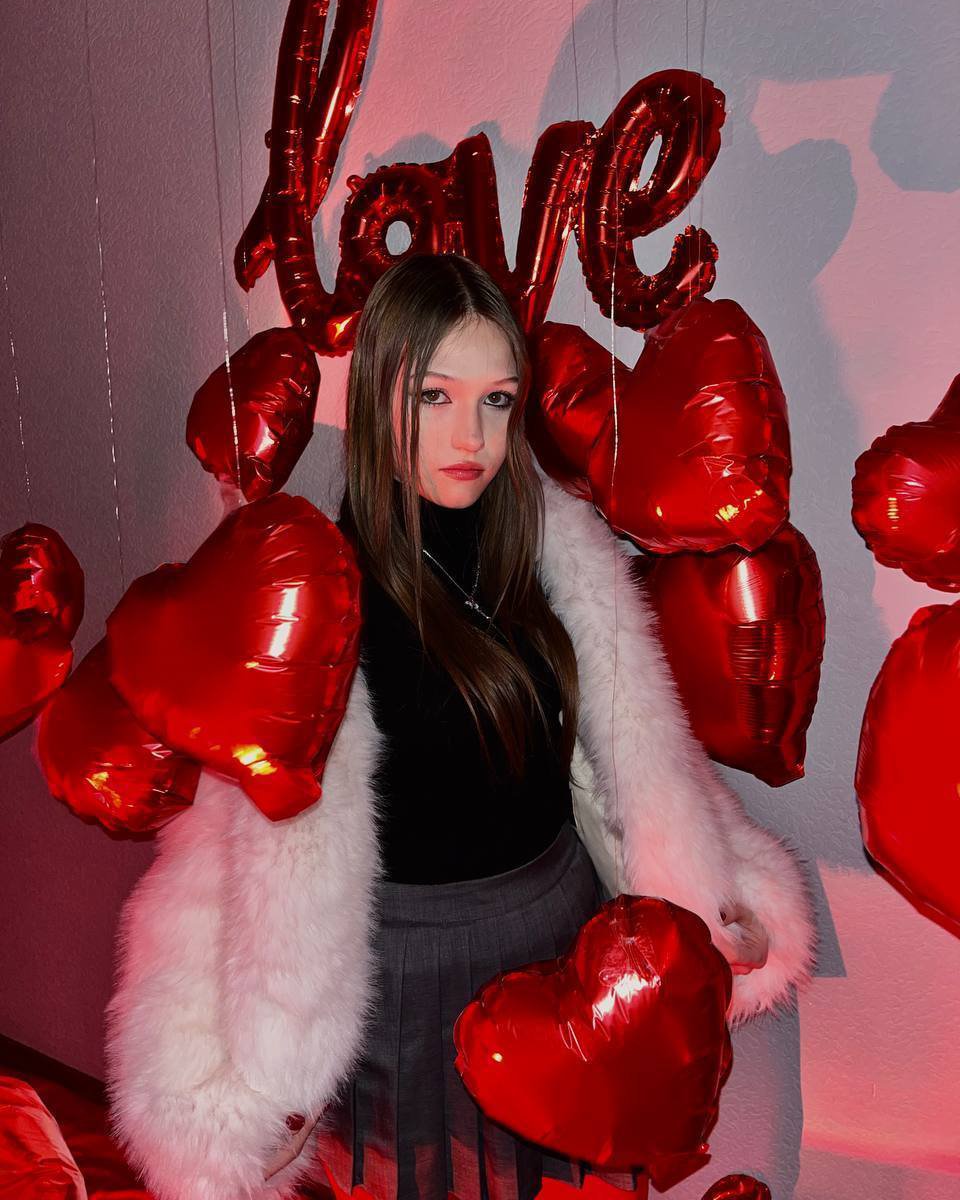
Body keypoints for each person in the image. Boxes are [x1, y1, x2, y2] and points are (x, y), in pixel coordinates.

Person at [105, 253, 817, 1200]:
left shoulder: (558, 553)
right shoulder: (316, 602)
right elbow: (226, 847)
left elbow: (633, 757)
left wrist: (713, 880)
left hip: (562, 935)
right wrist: (222, 1081)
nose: (471, 437)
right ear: (379, 398)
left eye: (496, 400)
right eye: (435, 396)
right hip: (407, 974)